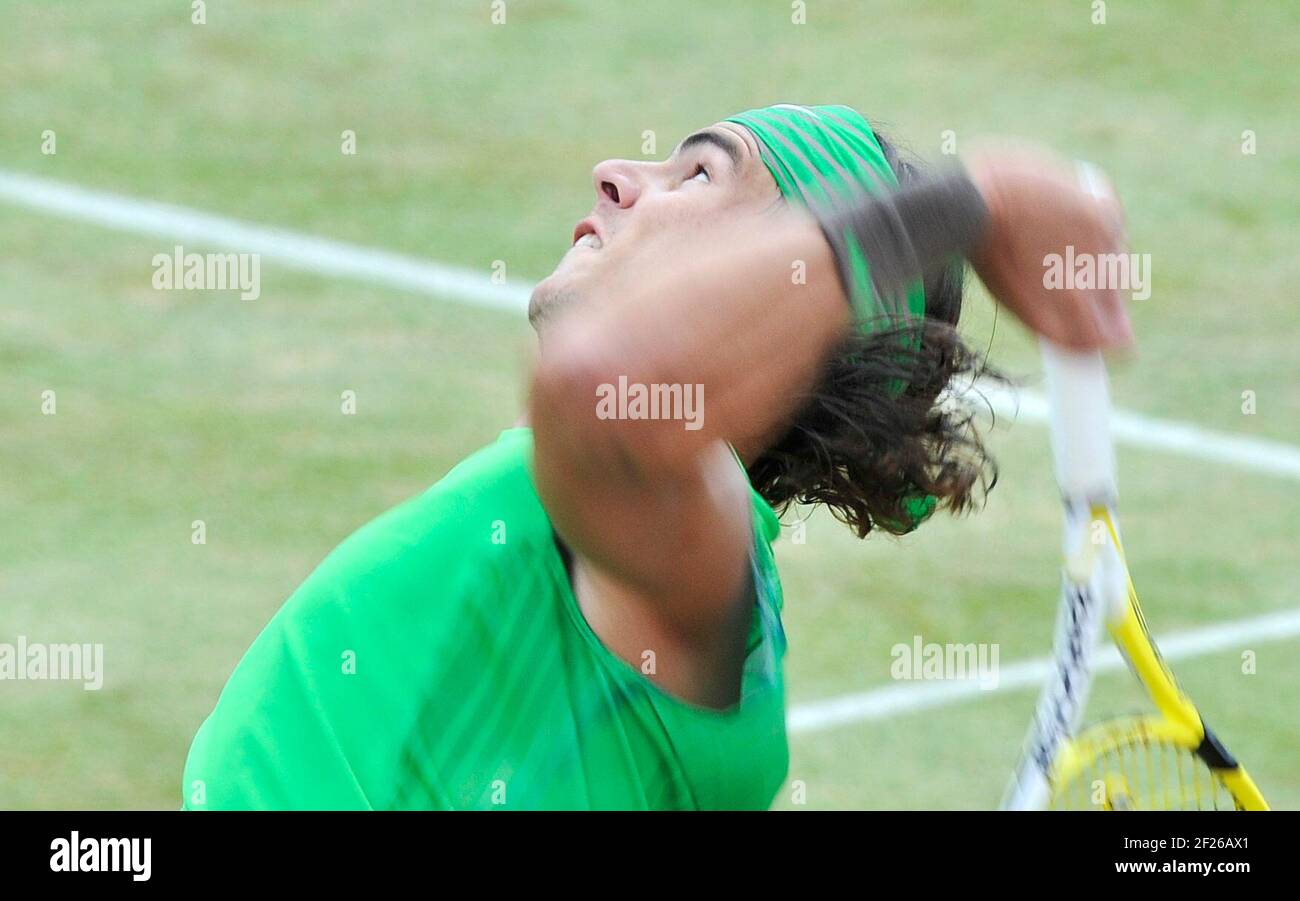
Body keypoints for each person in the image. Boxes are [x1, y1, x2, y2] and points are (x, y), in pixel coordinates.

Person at [182, 103, 1131, 810]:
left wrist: (976, 202)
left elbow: (600, 388)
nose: (613, 174)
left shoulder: (691, 555)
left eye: (700, 177)